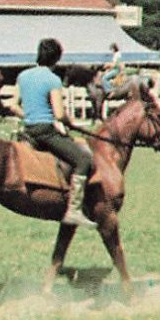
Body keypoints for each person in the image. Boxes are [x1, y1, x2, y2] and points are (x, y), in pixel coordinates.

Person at [15, 37, 95, 227]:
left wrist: (28, 116)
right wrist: (72, 123)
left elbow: (12, 104)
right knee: (83, 159)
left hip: (28, 130)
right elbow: (59, 114)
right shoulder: (53, 80)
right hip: (45, 132)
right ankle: (74, 210)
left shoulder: (23, 76)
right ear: (56, 59)